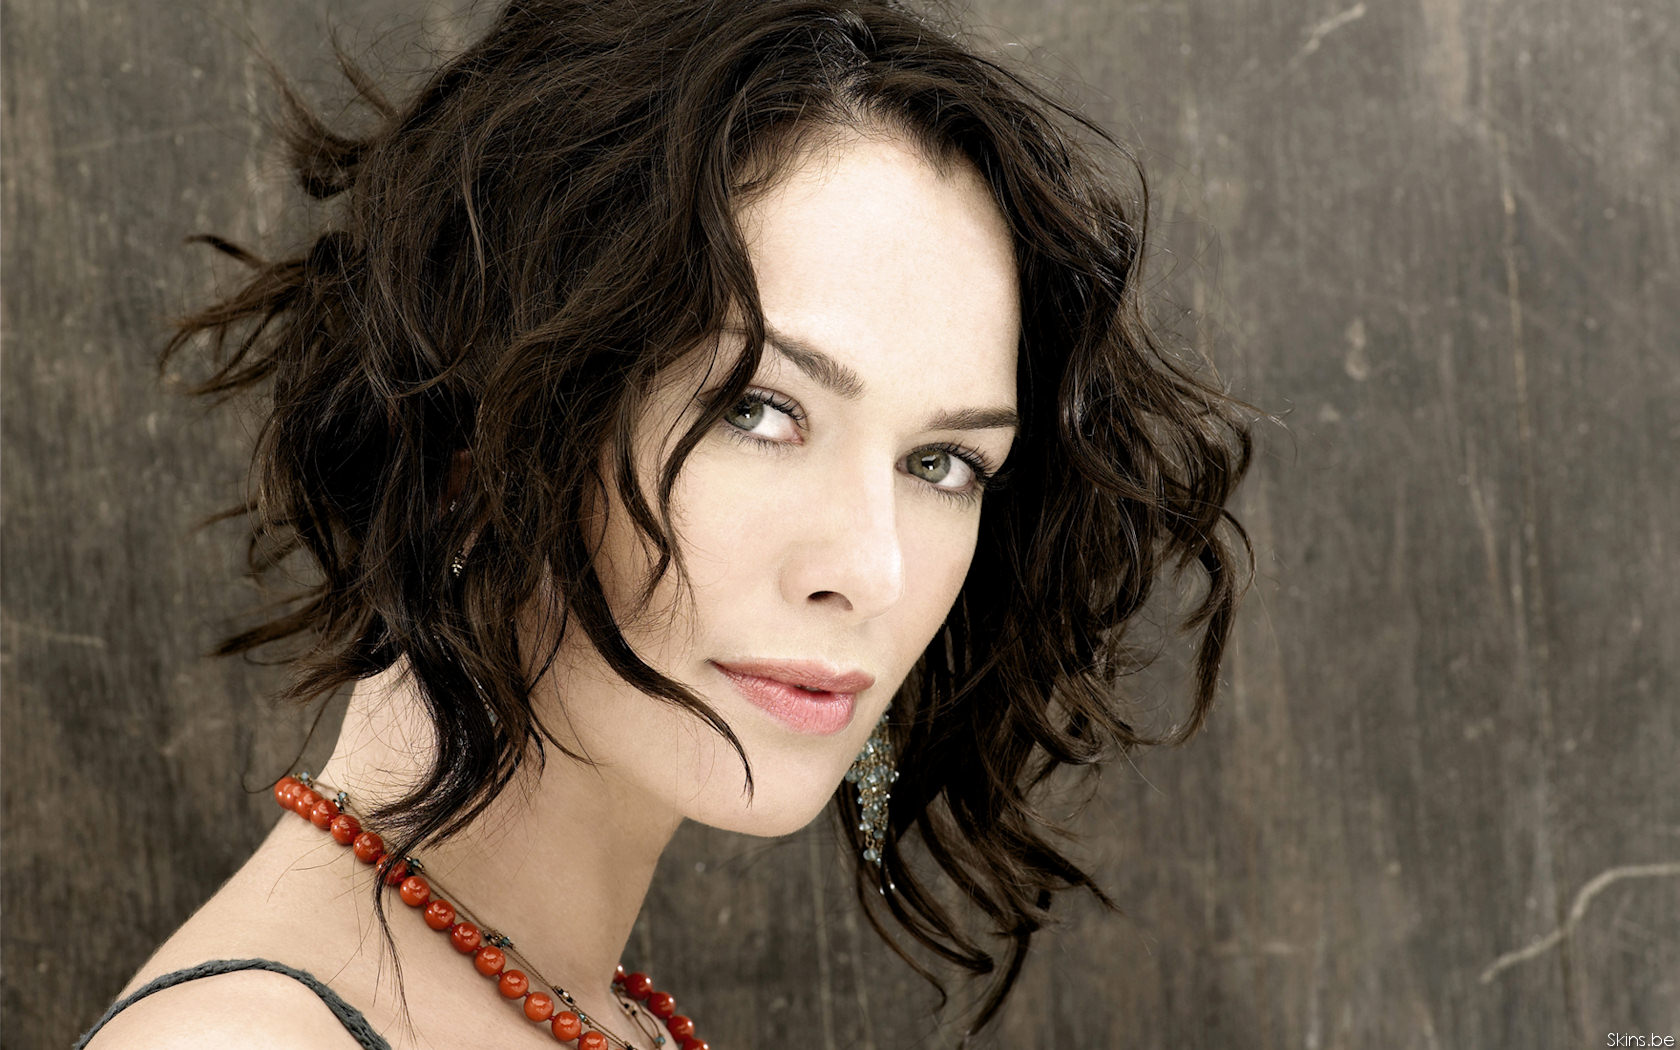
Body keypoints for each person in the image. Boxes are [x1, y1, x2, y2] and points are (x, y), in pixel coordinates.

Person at [78, 0, 1254, 1046]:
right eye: (758, 409)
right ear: (479, 416)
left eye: (942, 463)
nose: (872, 568)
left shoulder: (576, 1007)